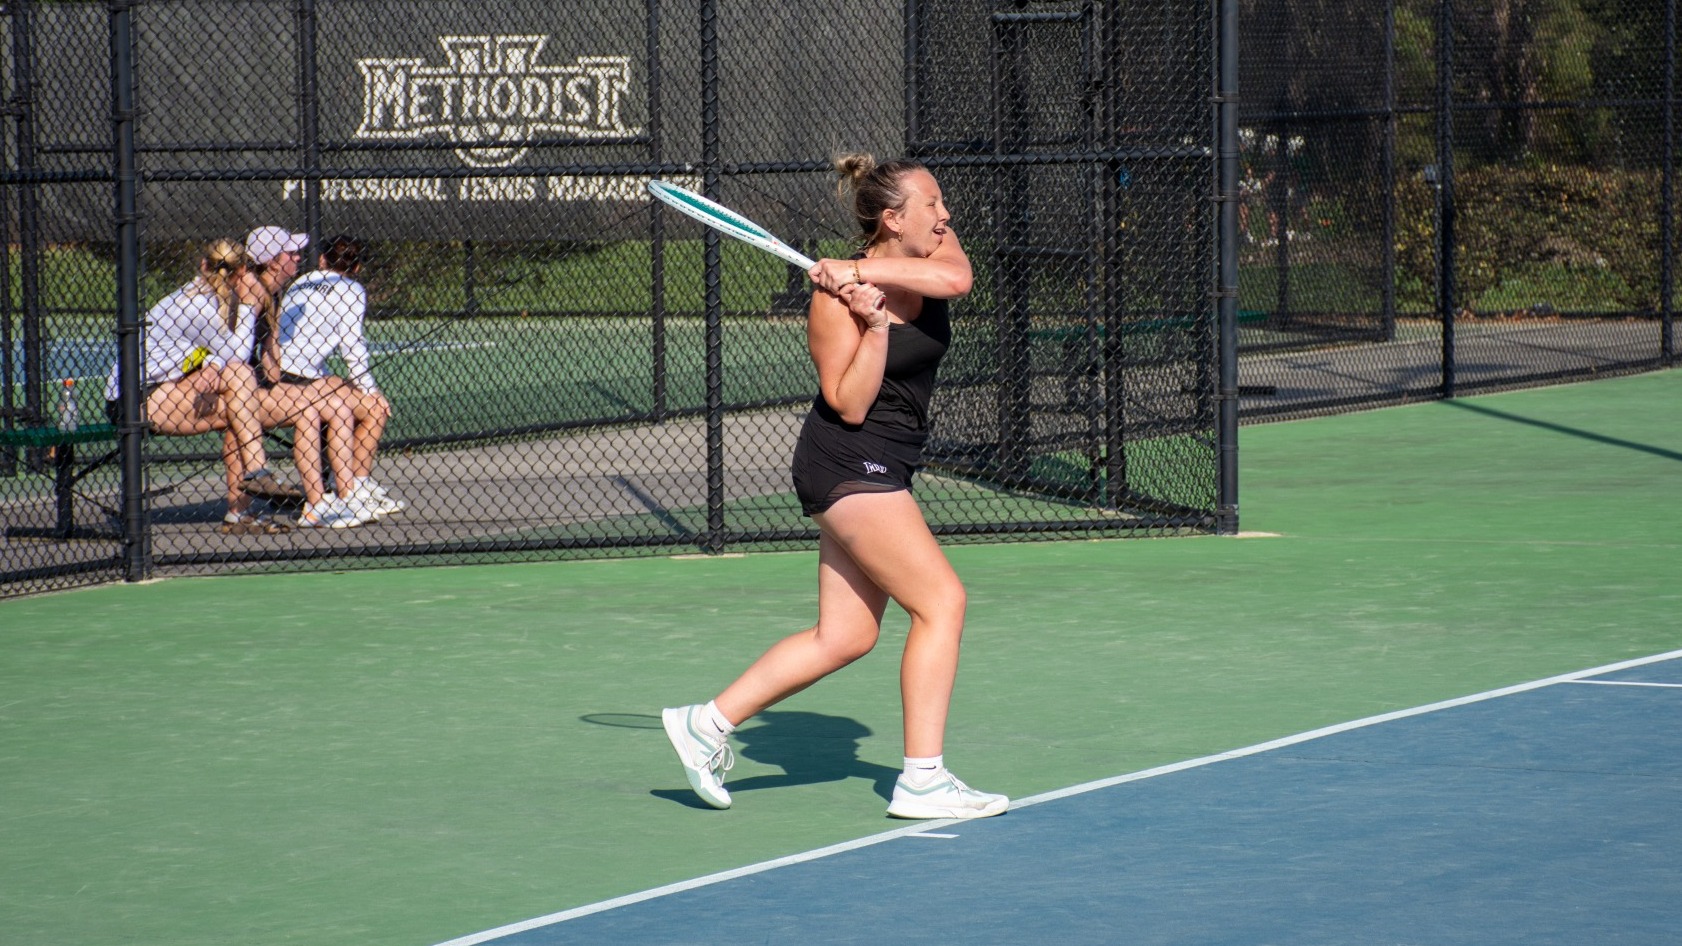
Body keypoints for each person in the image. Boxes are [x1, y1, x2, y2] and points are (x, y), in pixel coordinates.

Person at [662, 154, 1008, 820]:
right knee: (943, 603)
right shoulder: (831, 302)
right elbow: (848, 403)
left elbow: (956, 281)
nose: (946, 214)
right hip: (848, 458)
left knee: (846, 636)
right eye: (932, 204)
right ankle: (923, 780)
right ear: (892, 217)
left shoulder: (932, 248)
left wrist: (861, 272)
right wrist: (873, 323)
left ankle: (705, 724)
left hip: (887, 461)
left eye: (942, 204)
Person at [101, 238, 302, 533]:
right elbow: (237, 354)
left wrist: (211, 364)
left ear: (203, 264)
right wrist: (249, 307)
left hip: (176, 387)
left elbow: (218, 352)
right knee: (241, 384)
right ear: (242, 271)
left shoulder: (211, 296)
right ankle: (257, 472)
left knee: (239, 408)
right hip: (138, 397)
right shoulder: (197, 304)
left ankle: (240, 512)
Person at [242, 227, 370, 529]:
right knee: (313, 408)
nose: (299, 258)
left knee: (336, 404)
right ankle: (317, 503)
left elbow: (272, 367)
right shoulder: (251, 291)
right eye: (291, 253)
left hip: (261, 384)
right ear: (273, 260)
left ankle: (344, 496)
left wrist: (315, 383)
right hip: (234, 389)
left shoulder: (274, 292)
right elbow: (237, 358)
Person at [271, 233, 404, 518]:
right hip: (296, 379)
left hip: (288, 373)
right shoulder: (352, 290)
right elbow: (352, 346)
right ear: (357, 268)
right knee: (374, 409)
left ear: (321, 260)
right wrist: (370, 390)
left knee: (350, 399)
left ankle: (353, 486)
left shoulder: (300, 281)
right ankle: (354, 486)